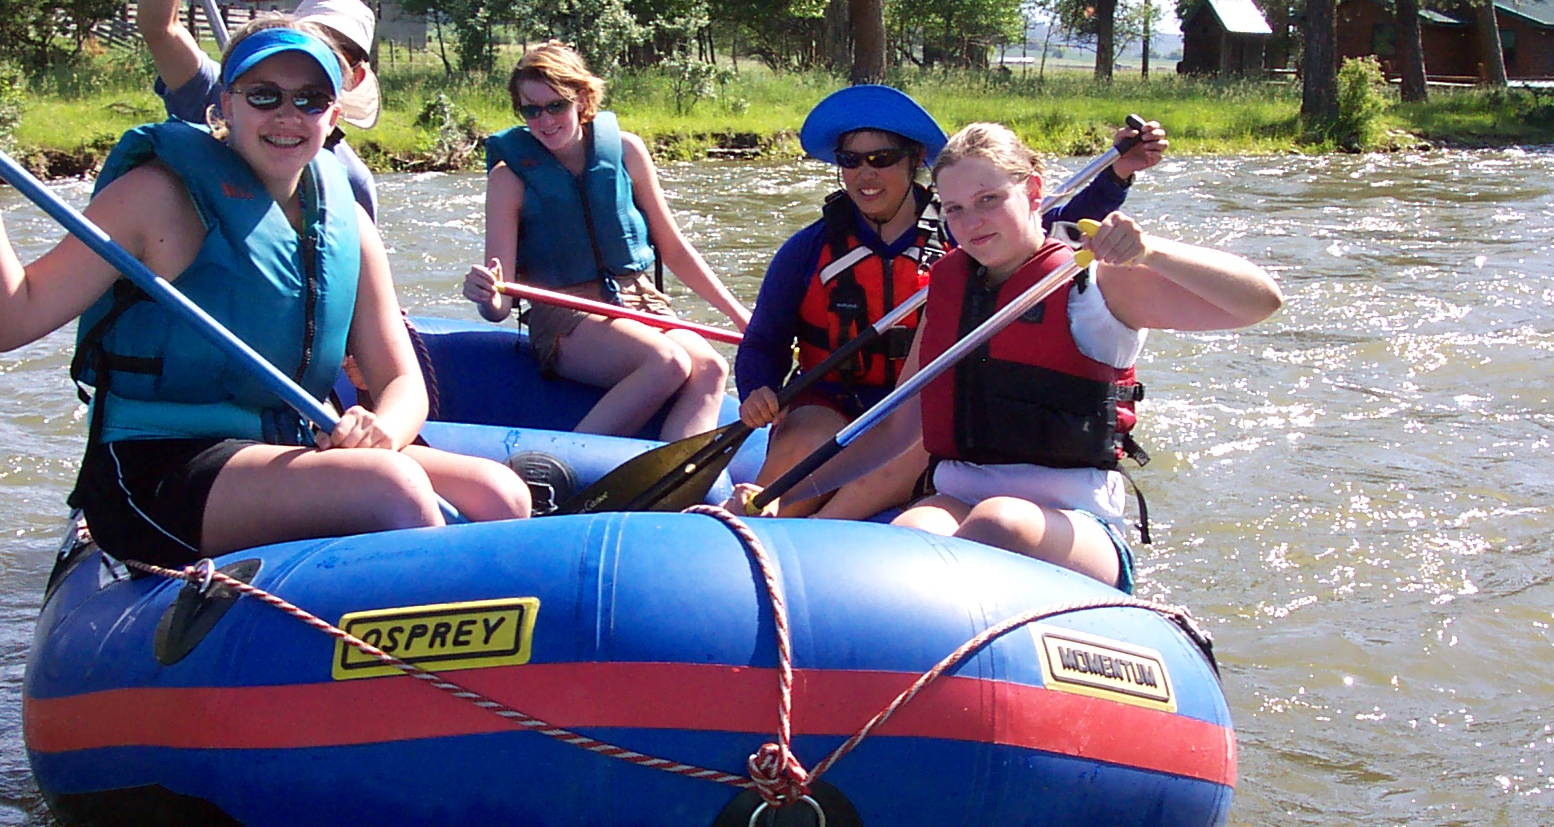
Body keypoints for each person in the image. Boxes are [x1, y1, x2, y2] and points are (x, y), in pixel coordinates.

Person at [0, 22, 528, 569]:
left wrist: (385, 433)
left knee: (501, 493)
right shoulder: (155, 196)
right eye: (264, 96)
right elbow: (7, 322)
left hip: (283, 449)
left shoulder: (349, 226)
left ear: (333, 115)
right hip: (157, 467)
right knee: (390, 488)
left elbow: (402, 384)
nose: (287, 116)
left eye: (309, 100)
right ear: (225, 107)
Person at [730, 122, 1281, 590]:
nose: (972, 223)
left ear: (1034, 191)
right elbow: (899, 431)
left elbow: (1260, 301)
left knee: (1001, 523)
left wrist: (1153, 251)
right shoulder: (946, 288)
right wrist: (784, 496)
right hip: (958, 495)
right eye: (955, 209)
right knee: (903, 546)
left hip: (1076, 515)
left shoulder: (1096, 282)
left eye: (989, 200)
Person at [734, 87, 1168, 519]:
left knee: (915, 444)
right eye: (851, 161)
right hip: (830, 401)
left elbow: (1045, 227)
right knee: (804, 440)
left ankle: (823, 533)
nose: (865, 174)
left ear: (913, 161)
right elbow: (762, 342)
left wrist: (1116, 177)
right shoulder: (808, 249)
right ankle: (763, 520)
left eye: (881, 159)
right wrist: (758, 387)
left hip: (924, 411)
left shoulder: (965, 229)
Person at [461, 42, 753, 441]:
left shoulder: (627, 151)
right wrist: (486, 295)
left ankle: (676, 485)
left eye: (555, 106)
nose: (544, 121)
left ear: (581, 99)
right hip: (565, 315)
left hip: (641, 302)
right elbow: (501, 304)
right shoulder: (507, 179)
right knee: (665, 362)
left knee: (712, 368)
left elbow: (673, 247)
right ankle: (562, 468)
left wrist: (741, 317)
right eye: (531, 110)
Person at [137, 0, 383, 219]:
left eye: (340, 52)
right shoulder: (224, 92)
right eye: (314, 39)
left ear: (356, 78)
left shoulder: (352, 183)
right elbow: (161, 29)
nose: (323, 55)